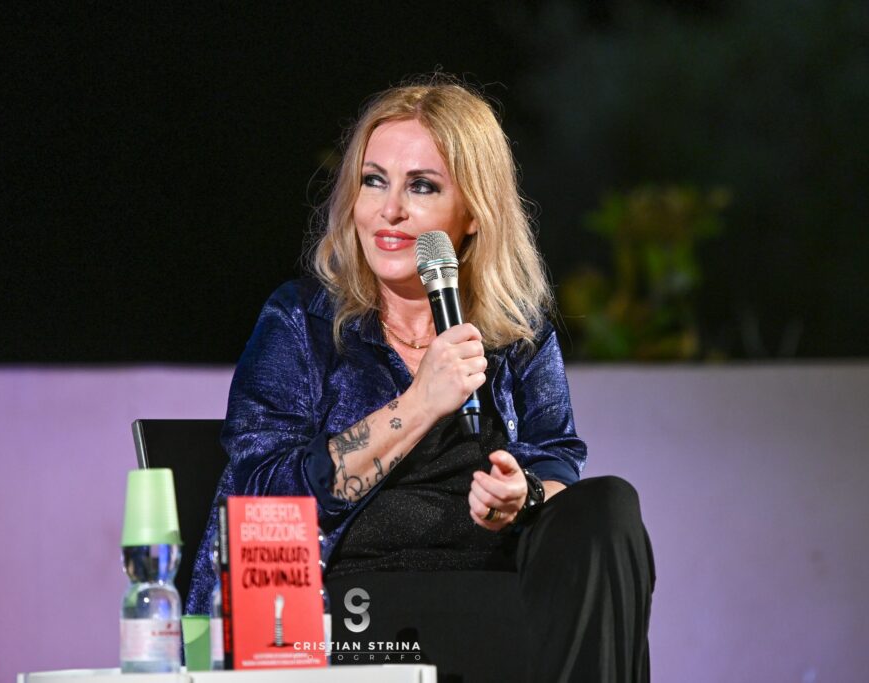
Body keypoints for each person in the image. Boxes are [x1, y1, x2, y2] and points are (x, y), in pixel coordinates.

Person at [186, 77, 654, 681]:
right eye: (373, 180)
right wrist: (419, 402)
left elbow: (557, 461)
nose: (390, 210)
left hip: (500, 598)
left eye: (422, 186)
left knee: (610, 507)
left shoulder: (516, 333)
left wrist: (526, 495)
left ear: (473, 215)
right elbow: (261, 496)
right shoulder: (302, 320)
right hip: (356, 612)